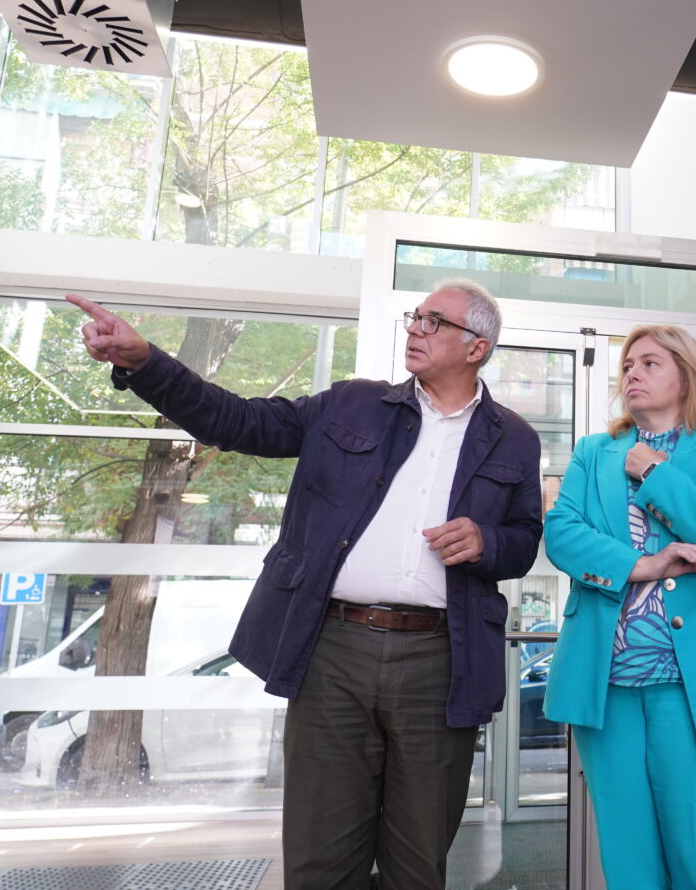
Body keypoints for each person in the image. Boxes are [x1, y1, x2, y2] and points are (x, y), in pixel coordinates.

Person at [67, 279, 542, 890]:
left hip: (441, 662)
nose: (414, 328)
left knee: (418, 864)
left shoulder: (514, 438)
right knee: (321, 860)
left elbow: (524, 541)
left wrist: (487, 541)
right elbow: (236, 420)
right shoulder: (351, 404)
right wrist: (146, 363)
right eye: (415, 316)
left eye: (434, 321)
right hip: (333, 653)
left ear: (476, 347)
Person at [542, 324, 696, 889]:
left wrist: (653, 471)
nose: (633, 372)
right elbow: (561, 534)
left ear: (686, 375)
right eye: (628, 365)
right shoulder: (593, 453)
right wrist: (646, 565)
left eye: (650, 363)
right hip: (607, 683)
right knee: (629, 860)